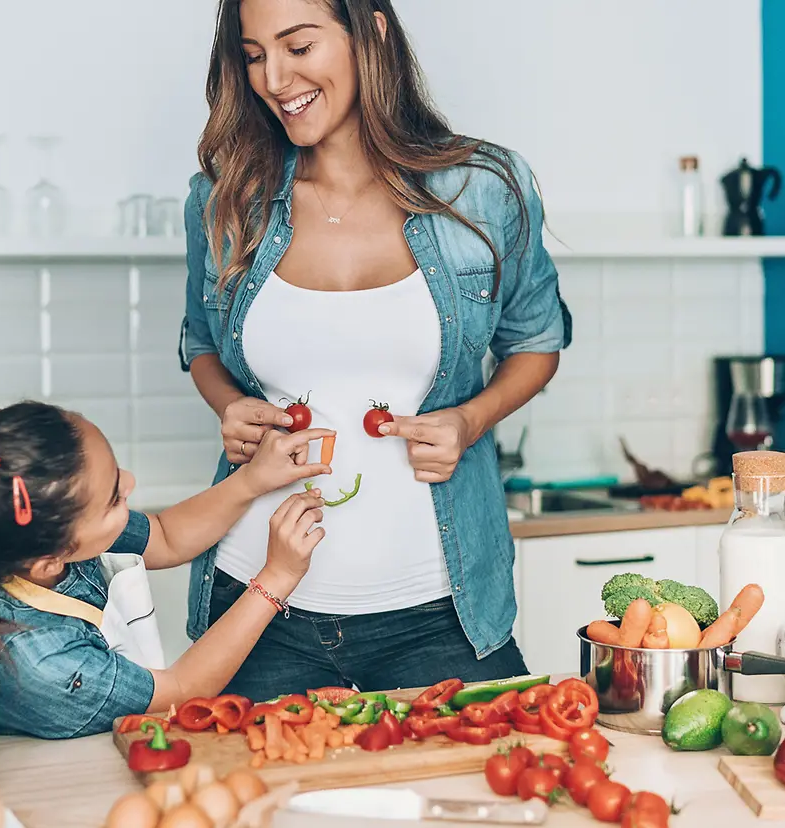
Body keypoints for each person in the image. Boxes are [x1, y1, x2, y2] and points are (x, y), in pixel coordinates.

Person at [179, 0, 572, 698]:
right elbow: (203, 345)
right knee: (244, 807)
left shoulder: (484, 188)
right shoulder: (224, 197)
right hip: (255, 608)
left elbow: (537, 342)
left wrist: (471, 420)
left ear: (372, 31)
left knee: (499, 794)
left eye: (299, 46)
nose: (275, 77)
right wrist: (229, 405)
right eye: (254, 54)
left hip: (441, 617)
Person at [0, 401, 333, 739]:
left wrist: (252, 479)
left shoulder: (44, 530)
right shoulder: (42, 661)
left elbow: (167, 535)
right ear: (50, 559)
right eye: (116, 496)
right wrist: (277, 578)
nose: (130, 483)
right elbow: (181, 689)